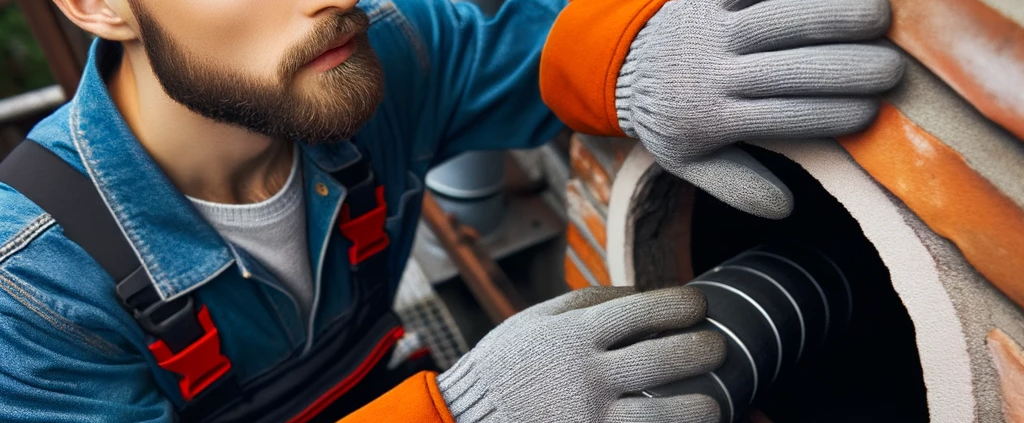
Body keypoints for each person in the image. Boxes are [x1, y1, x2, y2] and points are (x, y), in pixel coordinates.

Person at [0, 0, 902, 421]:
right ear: (99, 6)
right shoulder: (31, 290)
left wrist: (631, 59)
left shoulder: (362, 66)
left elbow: (522, 40)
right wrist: (459, 419)